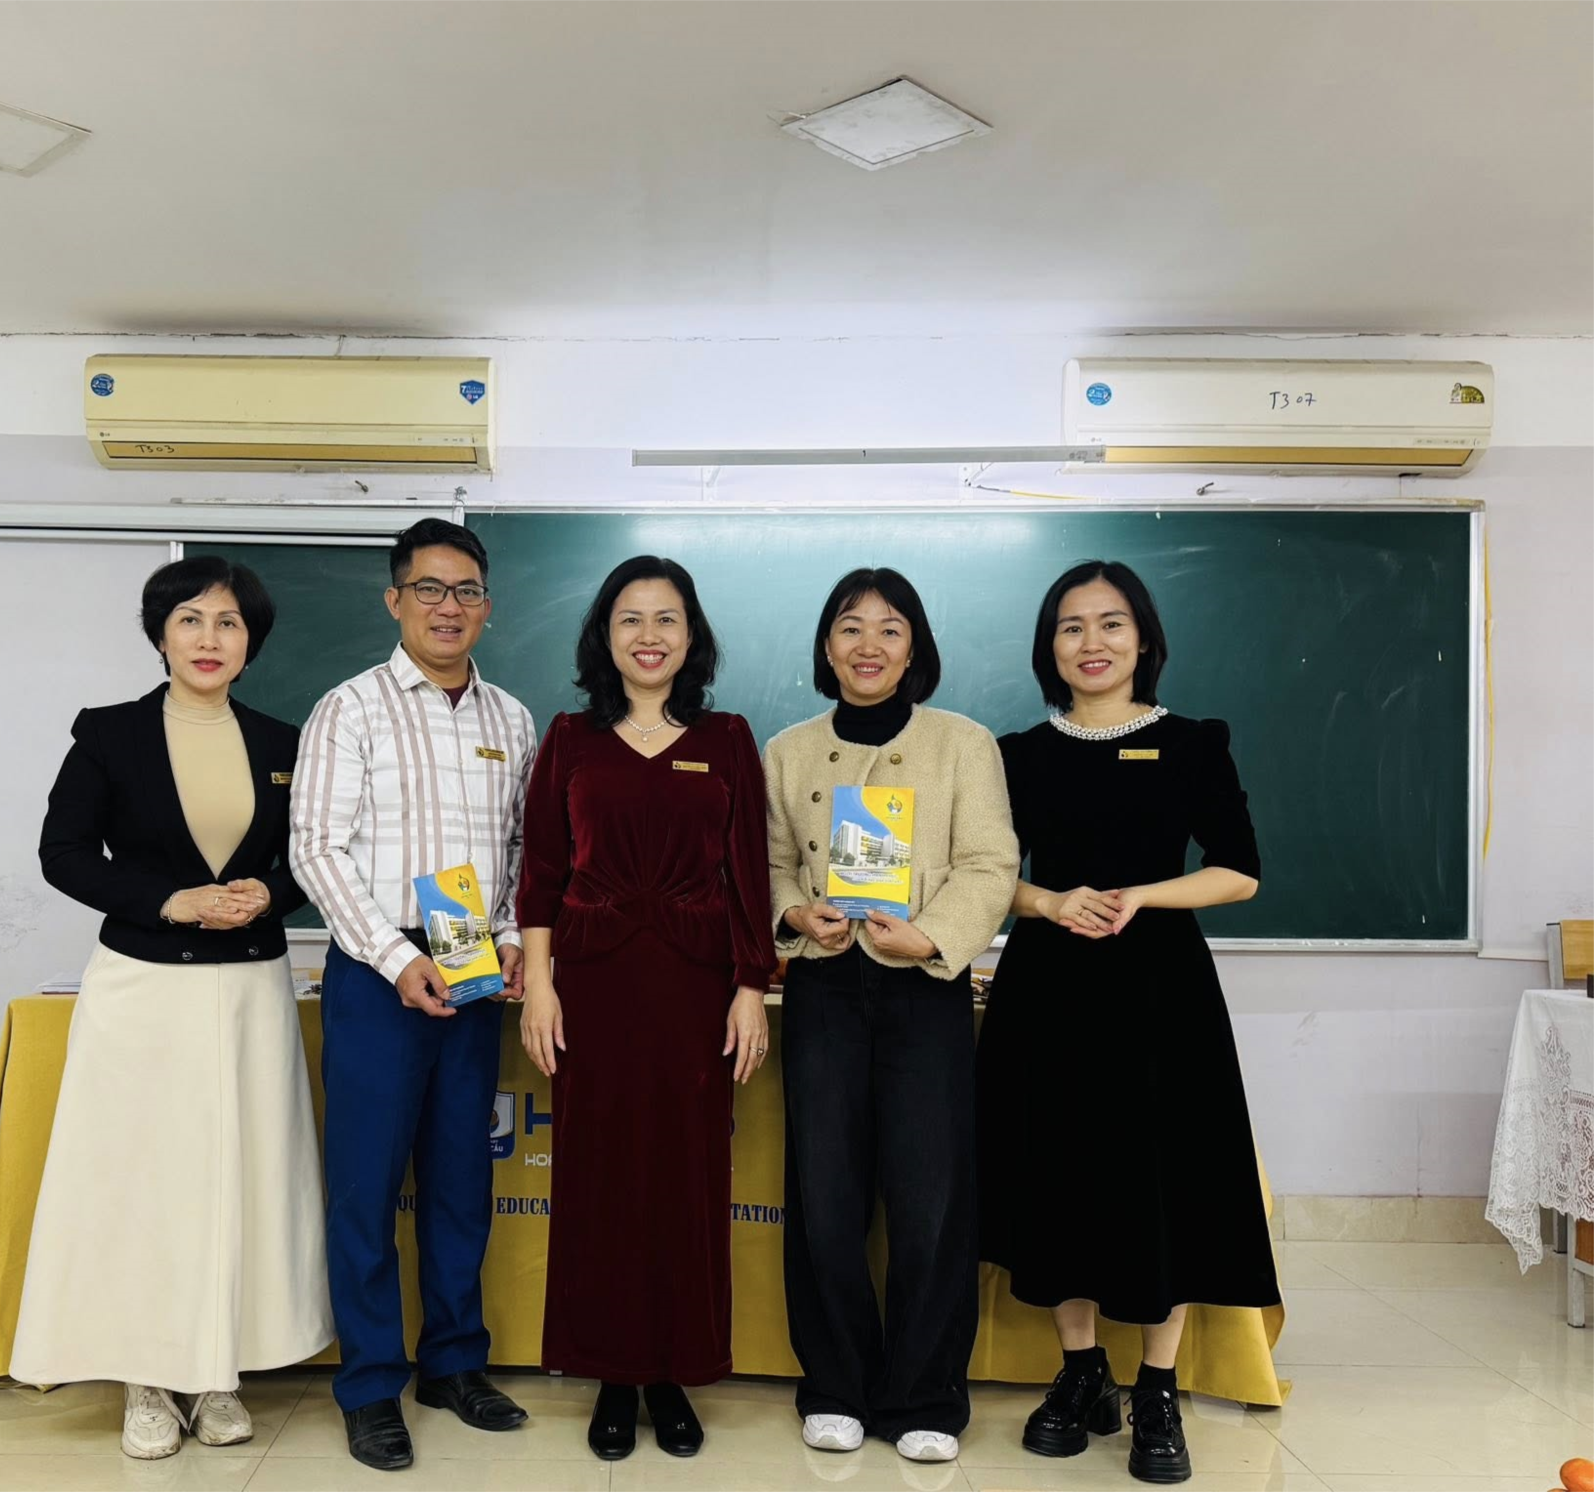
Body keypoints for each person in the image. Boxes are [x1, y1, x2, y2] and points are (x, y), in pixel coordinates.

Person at [14, 556, 333, 1460]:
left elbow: (312, 855)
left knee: (241, 1177)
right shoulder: (109, 734)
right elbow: (63, 852)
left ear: (251, 642)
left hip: (251, 989)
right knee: (141, 1178)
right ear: (160, 634)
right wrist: (169, 900)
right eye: (190, 619)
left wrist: (272, 894)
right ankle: (145, 1377)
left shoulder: (283, 743)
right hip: (143, 985)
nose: (209, 638)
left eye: (229, 622)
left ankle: (217, 1372)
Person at [977, 559, 1278, 1486]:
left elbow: (1239, 870)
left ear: (1144, 639)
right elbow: (984, 873)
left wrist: (1143, 895)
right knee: (1055, 1171)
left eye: (1111, 623)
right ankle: (1081, 1374)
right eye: (1071, 626)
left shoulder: (1193, 743)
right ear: (1050, 646)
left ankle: (1157, 1387)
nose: (1092, 642)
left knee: (1162, 1180)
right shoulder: (1018, 753)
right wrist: (1046, 901)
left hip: (1159, 991)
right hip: (1049, 987)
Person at [290, 518, 538, 1473]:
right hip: (378, 972)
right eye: (429, 589)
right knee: (365, 1189)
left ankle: (453, 1363)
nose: (448, 606)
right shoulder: (348, 708)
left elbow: (523, 850)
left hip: (473, 966)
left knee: (460, 1181)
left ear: (488, 606)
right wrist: (395, 958)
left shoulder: (512, 719)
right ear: (395, 600)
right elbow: (316, 849)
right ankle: (368, 1385)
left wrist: (509, 937)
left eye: (466, 590)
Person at [517, 555, 775, 1462]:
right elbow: (541, 871)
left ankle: (673, 1372)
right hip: (593, 984)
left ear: (692, 636)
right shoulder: (569, 738)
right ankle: (612, 1375)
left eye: (668, 618)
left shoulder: (728, 737)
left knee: (685, 1181)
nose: (650, 635)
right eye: (631, 618)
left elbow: (750, 874)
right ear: (605, 634)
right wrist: (539, 983)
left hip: (695, 987)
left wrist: (752, 987)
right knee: (600, 1181)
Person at [762, 567, 1018, 1466]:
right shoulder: (788, 750)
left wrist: (933, 935)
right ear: (827, 647)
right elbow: (770, 864)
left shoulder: (964, 744)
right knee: (825, 1196)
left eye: (890, 628)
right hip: (825, 987)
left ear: (915, 649)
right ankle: (834, 1386)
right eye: (850, 627)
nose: (868, 645)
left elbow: (990, 863)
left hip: (925, 987)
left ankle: (926, 1395)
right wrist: (795, 914)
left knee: (930, 1200)